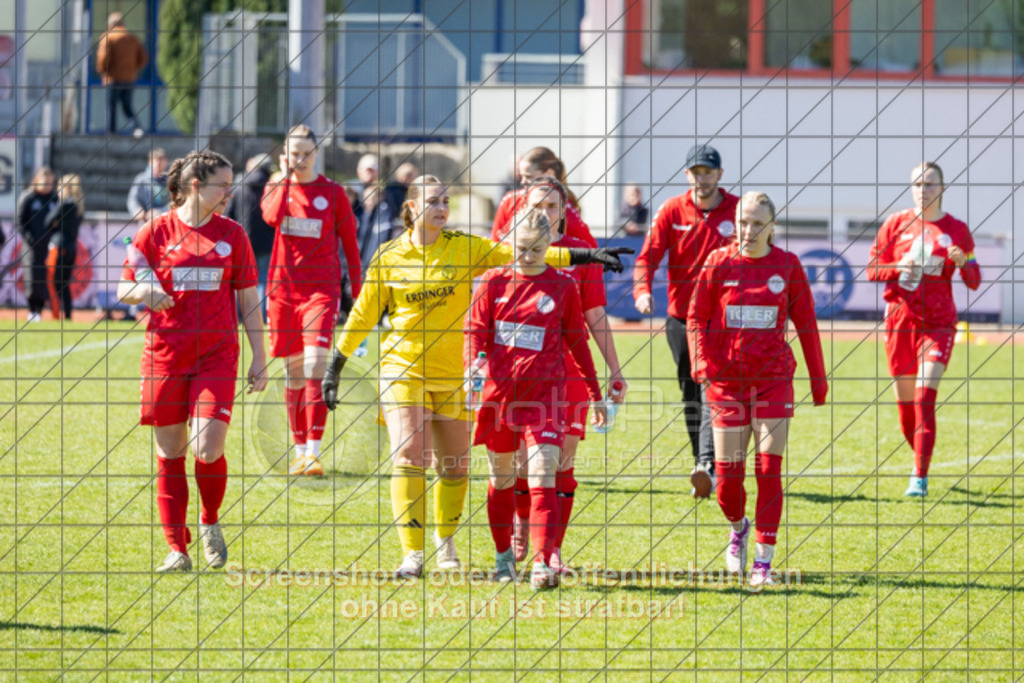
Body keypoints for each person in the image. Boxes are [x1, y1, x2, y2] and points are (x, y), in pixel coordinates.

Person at [320, 174, 630, 578]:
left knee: (455, 467)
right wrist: (335, 365)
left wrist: (586, 257)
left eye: (446, 200)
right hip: (403, 368)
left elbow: (524, 253)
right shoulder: (389, 257)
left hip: (456, 375)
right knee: (409, 456)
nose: (442, 208)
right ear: (412, 207)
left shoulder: (465, 248)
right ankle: (411, 554)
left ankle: (445, 543)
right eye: (433, 200)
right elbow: (362, 315)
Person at [116, 150, 268, 572]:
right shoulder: (154, 232)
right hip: (164, 356)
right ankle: (176, 549)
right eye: (223, 185)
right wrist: (143, 293)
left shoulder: (233, 234)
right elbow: (122, 289)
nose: (229, 193)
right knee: (170, 454)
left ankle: (209, 519)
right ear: (196, 187)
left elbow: (249, 300)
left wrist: (261, 356)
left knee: (207, 446)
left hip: (217, 355)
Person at [688, 191, 827, 588]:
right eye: (743, 223)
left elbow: (806, 323)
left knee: (769, 469)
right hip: (727, 383)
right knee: (729, 482)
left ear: (772, 226)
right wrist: (700, 361)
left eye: (758, 224)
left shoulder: (788, 265)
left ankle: (763, 559)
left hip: (772, 381)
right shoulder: (718, 262)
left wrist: (818, 378)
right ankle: (739, 528)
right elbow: (696, 317)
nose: (748, 231)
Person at [467, 209, 606, 588]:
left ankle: (543, 564)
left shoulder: (561, 286)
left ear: (550, 245)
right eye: (521, 249)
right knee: (503, 478)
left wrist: (595, 393)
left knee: (544, 474)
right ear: (509, 242)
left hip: (546, 399)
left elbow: (578, 342)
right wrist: (474, 366)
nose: (527, 257)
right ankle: (502, 558)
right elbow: (476, 332)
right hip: (499, 399)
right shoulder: (494, 282)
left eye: (537, 250)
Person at [504, 178, 628, 572]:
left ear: (563, 213)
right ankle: (523, 524)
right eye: (537, 203)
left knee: (560, 464)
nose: (545, 211)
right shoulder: (510, 257)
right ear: (523, 209)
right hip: (520, 379)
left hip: (568, 377)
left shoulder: (581, 262)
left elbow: (594, 315)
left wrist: (614, 369)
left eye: (553, 205)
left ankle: (551, 549)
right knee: (523, 464)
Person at [867, 161, 981, 497]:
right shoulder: (896, 224)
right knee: (905, 406)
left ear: (942, 188)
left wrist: (964, 262)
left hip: (939, 323)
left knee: (924, 396)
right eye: (917, 184)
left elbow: (974, 281)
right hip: (900, 322)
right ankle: (920, 453)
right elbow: (872, 270)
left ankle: (919, 475)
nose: (923, 190)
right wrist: (897, 267)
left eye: (930, 184)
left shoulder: (957, 229)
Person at [632, 144, 740, 499]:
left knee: (716, 388)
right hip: (681, 319)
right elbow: (647, 258)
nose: (702, 177)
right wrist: (642, 292)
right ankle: (703, 463)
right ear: (686, 175)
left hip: (724, 320)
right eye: (696, 171)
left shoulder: (738, 209)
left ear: (720, 175)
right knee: (691, 391)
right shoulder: (672, 210)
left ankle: (711, 464)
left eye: (708, 171)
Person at [261, 124, 362, 477]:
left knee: (315, 366)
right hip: (282, 293)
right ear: (284, 155)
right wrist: (286, 177)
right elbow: (270, 217)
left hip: (321, 292)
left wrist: (358, 292)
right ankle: (300, 450)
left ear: (317, 153)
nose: (299, 159)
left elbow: (350, 245)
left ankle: (314, 453)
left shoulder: (333, 195)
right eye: (293, 153)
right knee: (292, 375)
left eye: (306, 152)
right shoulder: (276, 186)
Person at [490, 146, 597, 246]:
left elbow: (592, 253)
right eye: (536, 206)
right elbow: (494, 248)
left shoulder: (565, 209)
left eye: (528, 176)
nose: (523, 182)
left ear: (549, 174)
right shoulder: (510, 200)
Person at [225, 154, 274, 319]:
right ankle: (259, 318)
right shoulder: (271, 187)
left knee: (242, 281)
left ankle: (239, 316)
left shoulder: (239, 186)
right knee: (262, 282)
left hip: (242, 241)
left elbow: (228, 214)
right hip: (267, 243)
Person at [16, 166, 57, 323]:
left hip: (48, 246)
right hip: (31, 246)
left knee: (44, 278)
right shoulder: (28, 198)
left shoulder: (53, 199)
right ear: (36, 181)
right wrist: (29, 237)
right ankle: (32, 309)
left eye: (50, 182)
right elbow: (20, 221)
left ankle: (40, 309)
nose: (47, 186)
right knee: (32, 277)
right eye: (44, 182)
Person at [96, 12, 147, 136]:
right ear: (123, 24)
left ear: (110, 25)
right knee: (127, 106)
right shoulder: (132, 38)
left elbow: (103, 59)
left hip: (113, 78)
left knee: (111, 106)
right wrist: (133, 69)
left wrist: (103, 72)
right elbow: (143, 58)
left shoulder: (108, 37)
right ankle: (136, 128)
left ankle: (111, 133)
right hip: (129, 78)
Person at [44, 174, 85, 320]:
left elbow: (47, 221)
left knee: (53, 283)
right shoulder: (79, 206)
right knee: (64, 285)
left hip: (59, 246)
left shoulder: (64, 204)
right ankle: (67, 316)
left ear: (66, 188)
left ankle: (56, 315)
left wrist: (55, 224)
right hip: (71, 247)